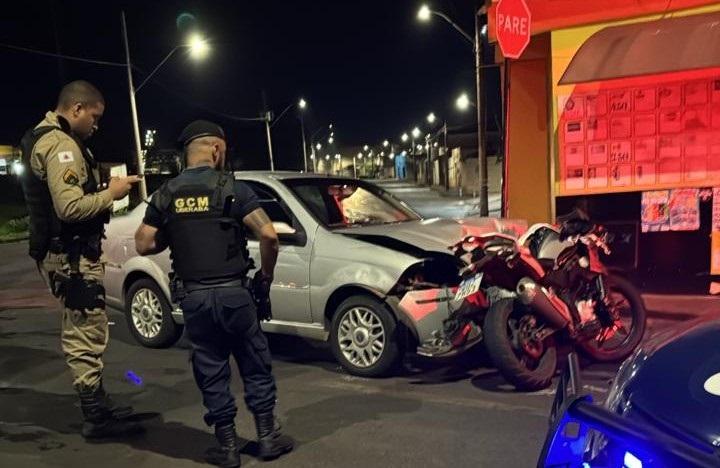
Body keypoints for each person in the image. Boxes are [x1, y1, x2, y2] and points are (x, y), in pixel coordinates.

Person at [134, 120, 293, 467]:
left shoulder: (167, 193)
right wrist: (265, 277)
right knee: (254, 363)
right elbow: (268, 235)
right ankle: (267, 438)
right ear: (216, 149)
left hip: (194, 299)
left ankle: (228, 447)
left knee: (210, 369)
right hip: (235, 296)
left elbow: (143, 242)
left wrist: (173, 235)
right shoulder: (231, 188)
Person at [19, 80, 142, 438]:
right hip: (68, 256)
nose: (96, 125)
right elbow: (70, 207)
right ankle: (95, 416)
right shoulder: (60, 145)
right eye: (94, 116)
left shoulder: (48, 137)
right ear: (75, 108)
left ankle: (98, 405)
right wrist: (111, 193)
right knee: (85, 331)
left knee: (88, 326)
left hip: (65, 252)